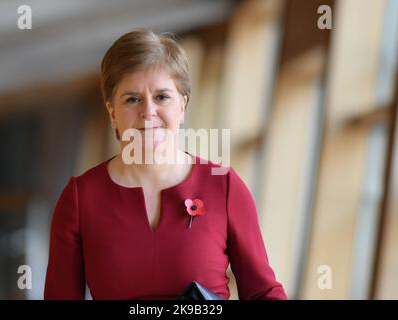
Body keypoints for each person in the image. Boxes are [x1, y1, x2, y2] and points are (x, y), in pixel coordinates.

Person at [44, 29, 287, 300]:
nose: (148, 111)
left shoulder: (224, 185)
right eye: (133, 99)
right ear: (112, 112)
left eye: (162, 97)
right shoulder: (80, 199)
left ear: (182, 106)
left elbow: (264, 292)